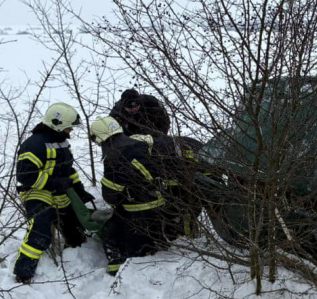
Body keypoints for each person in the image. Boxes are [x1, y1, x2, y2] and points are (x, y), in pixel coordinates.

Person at [13, 103, 95, 284]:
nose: (70, 131)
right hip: (36, 192)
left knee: (74, 227)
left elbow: (68, 170)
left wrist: (79, 190)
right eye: (68, 127)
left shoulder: (62, 142)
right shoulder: (33, 145)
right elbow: (25, 176)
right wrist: (55, 183)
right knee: (41, 227)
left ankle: (74, 251)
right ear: (57, 123)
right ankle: (23, 271)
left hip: (59, 192)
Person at [109, 89, 203, 238]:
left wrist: (158, 140)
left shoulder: (151, 104)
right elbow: (114, 137)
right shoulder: (116, 114)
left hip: (155, 139)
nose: (133, 110)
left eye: (136, 107)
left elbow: (164, 121)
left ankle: (182, 225)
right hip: (132, 144)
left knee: (175, 186)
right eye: (130, 109)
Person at [90, 115, 169, 276]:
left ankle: (121, 275)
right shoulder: (140, 144)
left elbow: (110, 194)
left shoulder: (114, 156)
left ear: (100, 138)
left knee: (123, 242)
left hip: (137, 212)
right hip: (161, 206)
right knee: (153, 243)